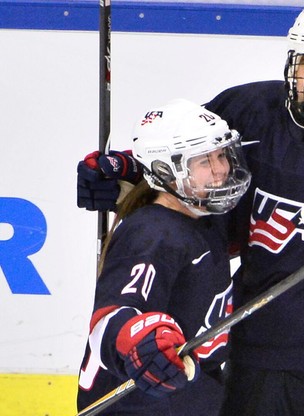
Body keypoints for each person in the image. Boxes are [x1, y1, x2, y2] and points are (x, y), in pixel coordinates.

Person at [76, 5, 304, 415]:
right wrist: (128, 167)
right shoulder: (246, 109)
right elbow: (185, 151)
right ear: (292, 65)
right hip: (267, 330)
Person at [77, 99, 251, 415]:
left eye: (221, 155)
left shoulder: (203, 215)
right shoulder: (153, 234)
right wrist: (136, 342)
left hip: (186, 400)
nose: (221, 170)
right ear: (164, 171)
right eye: (203, 162)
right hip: (135, 407)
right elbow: (109, 321)